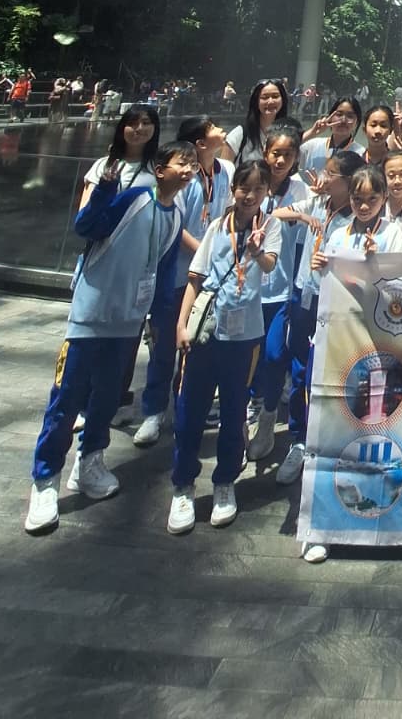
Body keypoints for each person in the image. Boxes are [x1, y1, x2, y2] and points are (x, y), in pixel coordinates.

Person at [24, 137, 191, 533]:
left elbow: (165, 269)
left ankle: (90, 462)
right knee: (67, 397)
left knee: (106, 398)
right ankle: (45, 479)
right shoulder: (134, 199)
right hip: (91, 315)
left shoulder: (176, 214)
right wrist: (104, 190)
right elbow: (87, 226)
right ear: (160, 169)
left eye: (191, 165)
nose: (187, 170)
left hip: (128, 321)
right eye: (180, 163)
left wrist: (159, 317)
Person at [167, 159, 282, 535]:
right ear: (234, 189)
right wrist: (181, 324)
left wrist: (258, 250)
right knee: (190, 410)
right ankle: (183, 485)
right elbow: (196, 278)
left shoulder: (270, 225)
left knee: (234, 411)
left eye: (259, 189)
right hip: (206, 332)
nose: (250, 195)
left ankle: (225, 482)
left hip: (245, 336)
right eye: (244, 188)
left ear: (267, 192)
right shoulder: (218, 226)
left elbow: (269, 265)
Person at [132, 115, 233, 448]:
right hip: (178, 273)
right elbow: (177, 225)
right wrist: (206, 252)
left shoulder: (225, 171)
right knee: (164, 345)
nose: (221, 129)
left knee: (198, 345)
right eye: (213, 127)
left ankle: (187, 406)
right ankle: (153, 410)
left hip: (210, 276)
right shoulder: (184, 178)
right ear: (199, 143)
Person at [274, 151, 361, 491]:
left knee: (330, 372)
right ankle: (298, 440)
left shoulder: (358, 216)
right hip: (304, 294)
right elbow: (276, 214)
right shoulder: (317, 203)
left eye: (331, 173)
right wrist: (305, 214)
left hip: (335, 303)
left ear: (348, 181)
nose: (324, 177)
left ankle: (328, 442)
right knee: (299, 367)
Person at [246, 123, 309, 460]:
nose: (281, 160)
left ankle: (268, 417)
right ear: (265, 152)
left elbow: (308, 234)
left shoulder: (302, 190)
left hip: (281, 289)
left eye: (288, 154)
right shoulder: (252, 182)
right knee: (245, 359)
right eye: (276, 153)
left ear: (297, 157)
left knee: (273, 355)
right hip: (246, 288)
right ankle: (246, 414)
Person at [223, 78, 290, 165]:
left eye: (275, 96)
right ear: (256, 101)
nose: (270, 101)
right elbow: (223, 171)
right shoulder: (240, 134)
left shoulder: (289, 134)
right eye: (264, 97)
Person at [298, 95, 362, 175]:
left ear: (357, 122)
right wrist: (312, 132)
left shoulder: (361, 153)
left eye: (350, 116)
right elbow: (288, 149)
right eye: (339, 114)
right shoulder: (312, 146)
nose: (343, 120)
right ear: (330, 117)